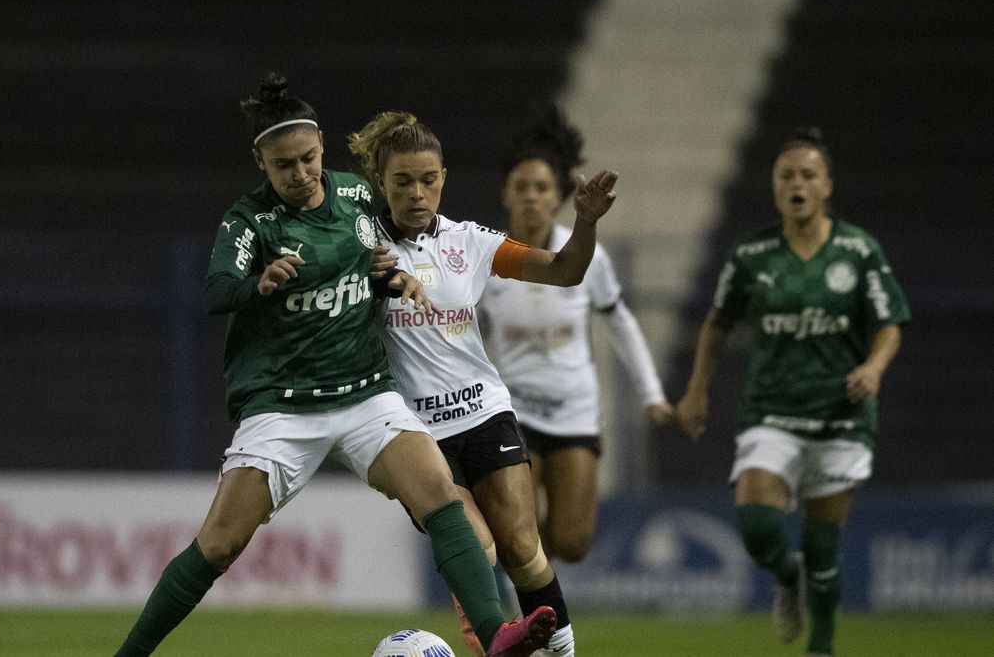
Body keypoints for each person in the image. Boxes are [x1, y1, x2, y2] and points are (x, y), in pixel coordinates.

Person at [114, 74, 556, 657]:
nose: (300, 174)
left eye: (309, 158)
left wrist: (395, 278)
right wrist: (258, 284)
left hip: (366, 395)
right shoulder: (250, 222)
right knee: (218, 545)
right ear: (260, 163)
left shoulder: (352, 197)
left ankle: (496, 633)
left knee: (442, 498)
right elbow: (217, 289)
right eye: (284, 166)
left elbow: (373, 258)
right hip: (283, 405)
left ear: (322, 146)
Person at [349, 111, 618, 657]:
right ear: (381, 183)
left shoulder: (470, 242)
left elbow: (566, 270)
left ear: (444, 178)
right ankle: (498, 643)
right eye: (402, 182)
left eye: (428, 180)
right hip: (413, 433)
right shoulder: (361, 246)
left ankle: (561, 653)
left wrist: (586, 222)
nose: (417, 193)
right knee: (478, 544)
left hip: (484, 413)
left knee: (524, 546)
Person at [674, 127, 910, 657]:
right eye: (786, 176)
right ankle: (787, 573)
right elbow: (718, 322)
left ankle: (821, 646)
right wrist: (696, 389)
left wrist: (873, 367)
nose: (797, 184)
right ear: (774, 186)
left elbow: (891, 321)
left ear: (827, 185)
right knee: (757, 526)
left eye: (808, 175)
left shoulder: (858, 249)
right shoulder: (753, 253)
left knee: (824, 546)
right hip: (771, 412)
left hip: (841, 414)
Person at [480, 102, 674, 563]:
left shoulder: (587, 256)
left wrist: (651, 392)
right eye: (521, 186)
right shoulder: (483, 256)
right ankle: (529, 615)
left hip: (574, 412)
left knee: (571, 543)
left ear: (559, 196)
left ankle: (535, 577)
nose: (531, 196)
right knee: (516, 533)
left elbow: (620, 321)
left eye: (541, 187)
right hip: (512, 412)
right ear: (505, 195)